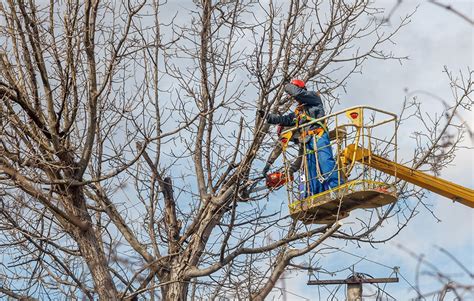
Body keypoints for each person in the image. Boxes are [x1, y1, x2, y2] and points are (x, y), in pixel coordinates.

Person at [261, 79, 342, 197]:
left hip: (318, 136)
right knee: (310, 171)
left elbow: (297, 93)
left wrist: (285, 85)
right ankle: (317, 197)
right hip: (307, 141)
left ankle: (338, 190)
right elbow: (283, 120)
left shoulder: (314, 98)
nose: (294, 98)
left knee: (325, 162)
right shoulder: (298, 112)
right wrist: (268, 117)